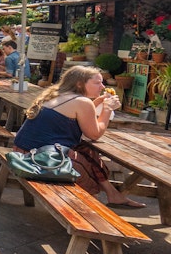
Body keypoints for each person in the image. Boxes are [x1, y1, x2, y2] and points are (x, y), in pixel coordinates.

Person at [13, 65, 144, 208]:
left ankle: (113, 194)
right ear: (80, 84)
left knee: (88, 152)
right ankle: (90, 213)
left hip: (23, 150)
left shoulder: (57, 95)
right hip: (38, 160)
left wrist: (97, 103)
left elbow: (76, 115)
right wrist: (107, 109)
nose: (102, 86)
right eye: (97, 82)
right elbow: (94, 134)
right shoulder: (82, 102)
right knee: (85, 168)